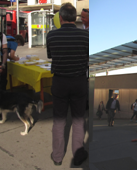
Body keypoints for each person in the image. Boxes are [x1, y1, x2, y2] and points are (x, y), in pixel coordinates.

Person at [42, 3, 89, 166]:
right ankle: (77, 155)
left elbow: (50, 55)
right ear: (75, 18)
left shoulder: (51, 36)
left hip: (60, 82)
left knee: (59, 121)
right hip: (79, 82)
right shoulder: (86, 36)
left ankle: (57, 157)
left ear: (60, 18)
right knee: (78, 120)